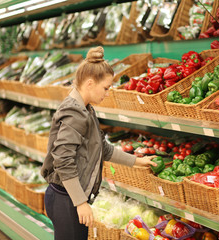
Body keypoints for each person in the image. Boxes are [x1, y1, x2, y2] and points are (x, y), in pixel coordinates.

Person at [41, 46, 157, 240]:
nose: (108, 92)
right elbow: (62, 159)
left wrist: (137, 161)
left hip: (69, 197)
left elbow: (102, 148)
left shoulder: (86, 109)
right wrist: (80, 202)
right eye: (105, 87)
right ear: (89, 83)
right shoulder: (74, 113)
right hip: (66, 198)